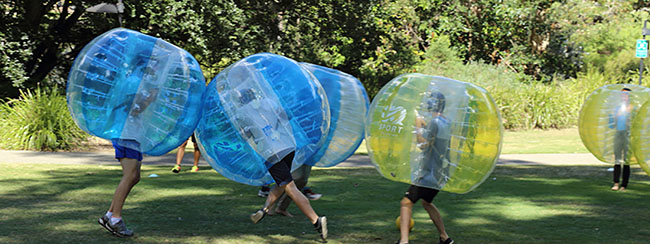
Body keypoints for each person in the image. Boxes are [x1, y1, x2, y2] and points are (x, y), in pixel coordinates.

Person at [234, 88, 327, 241]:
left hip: (271, 153)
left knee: (290, 188)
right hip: (287, 147)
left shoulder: (242, 113)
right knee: (281, 183)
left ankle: (316, 220)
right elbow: (285, 116)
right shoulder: (268, 102)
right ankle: (264, 210)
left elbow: (246, 136)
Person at [397, 92, 453, 244]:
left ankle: (404, 241)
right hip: (439, 172)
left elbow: (424, 145)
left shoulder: (435, 122)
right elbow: (436, 140)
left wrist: (418, 125)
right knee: (426, 202)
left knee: (406, 202)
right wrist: (425, 124)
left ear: (431, 104)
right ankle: (445, 238)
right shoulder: (446, 122)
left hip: (429, 173)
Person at [97, 139, 141, 238]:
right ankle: (115, 219)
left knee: (135, 177)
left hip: (134, 138)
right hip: (126, 138)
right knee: (129, 176)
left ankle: (109, 215)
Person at [610, 87, 633, 191]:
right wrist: (614, 116)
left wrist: (630, 118)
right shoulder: (617, 108)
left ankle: (624, 185)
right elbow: (611, 125)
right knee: (617, 160)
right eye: (622, 94)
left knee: (626, 161)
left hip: (629, 136)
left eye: (626, 94)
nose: (624, 96)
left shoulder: (633, 108)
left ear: (629, 97)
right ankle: (616, 183)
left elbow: (637, 123)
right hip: (618, 135)